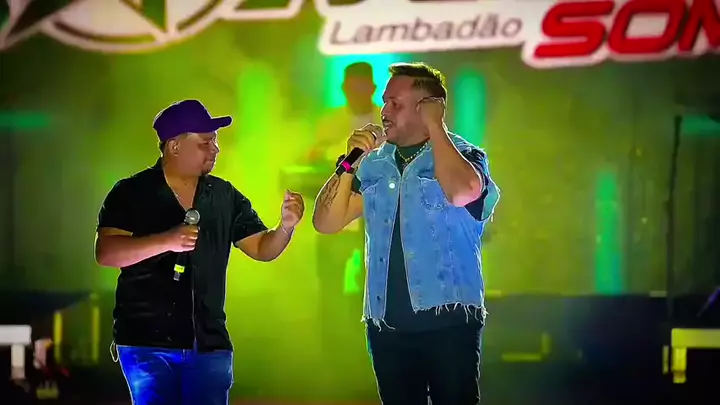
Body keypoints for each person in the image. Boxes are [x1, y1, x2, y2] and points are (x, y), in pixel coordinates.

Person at [94, 99, 304, 405]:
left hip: (209, 342)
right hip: (146, 341)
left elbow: (261, 248)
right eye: (205, 142)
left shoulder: (224, 195)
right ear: (174, 146)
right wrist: (167, 240)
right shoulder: (131, 192)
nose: (215, 149)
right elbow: (106, 252)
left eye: (215, 142)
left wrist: (285, 227)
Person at [312, 63, 499, 405]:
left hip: (448, 323)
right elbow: (326, 222)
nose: (384, 112)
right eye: (385, 102)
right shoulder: (375, 163)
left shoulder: (466, 156)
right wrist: (348, 163)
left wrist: (435, 126)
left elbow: (462, 192)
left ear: (427, 107)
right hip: (387, 326)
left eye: (395, 104)